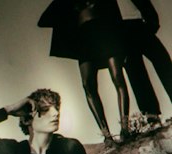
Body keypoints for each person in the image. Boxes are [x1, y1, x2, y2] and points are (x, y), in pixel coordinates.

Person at [39, 1, 132, 141]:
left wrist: (123, 43)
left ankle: (125, 129)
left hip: (106, 30)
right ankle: (107, 136)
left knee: (117, 77)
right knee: (88, 86)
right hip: (84, 37)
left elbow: (115, 13)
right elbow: (43, 20)